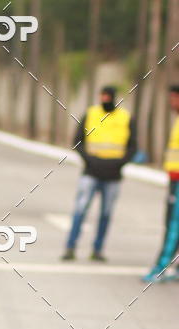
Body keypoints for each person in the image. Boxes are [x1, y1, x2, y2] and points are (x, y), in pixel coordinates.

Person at [62, 86, 136, 262]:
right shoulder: (91, 114)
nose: (105, 99)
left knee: (106, 214)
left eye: (108, 96)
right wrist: (89, 160)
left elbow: (133, 146)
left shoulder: (125, 118)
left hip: (113, 176)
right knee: (80, 210)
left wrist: (120, 163)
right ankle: (70, 247)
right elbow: (77, 141)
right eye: (102, 96)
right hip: (91, 173)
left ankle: (97, 249)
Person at [142, 85, 179, 283]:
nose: (171, 102)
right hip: (174, 179)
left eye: (174, 98)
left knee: (173, 225)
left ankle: (160, 267)